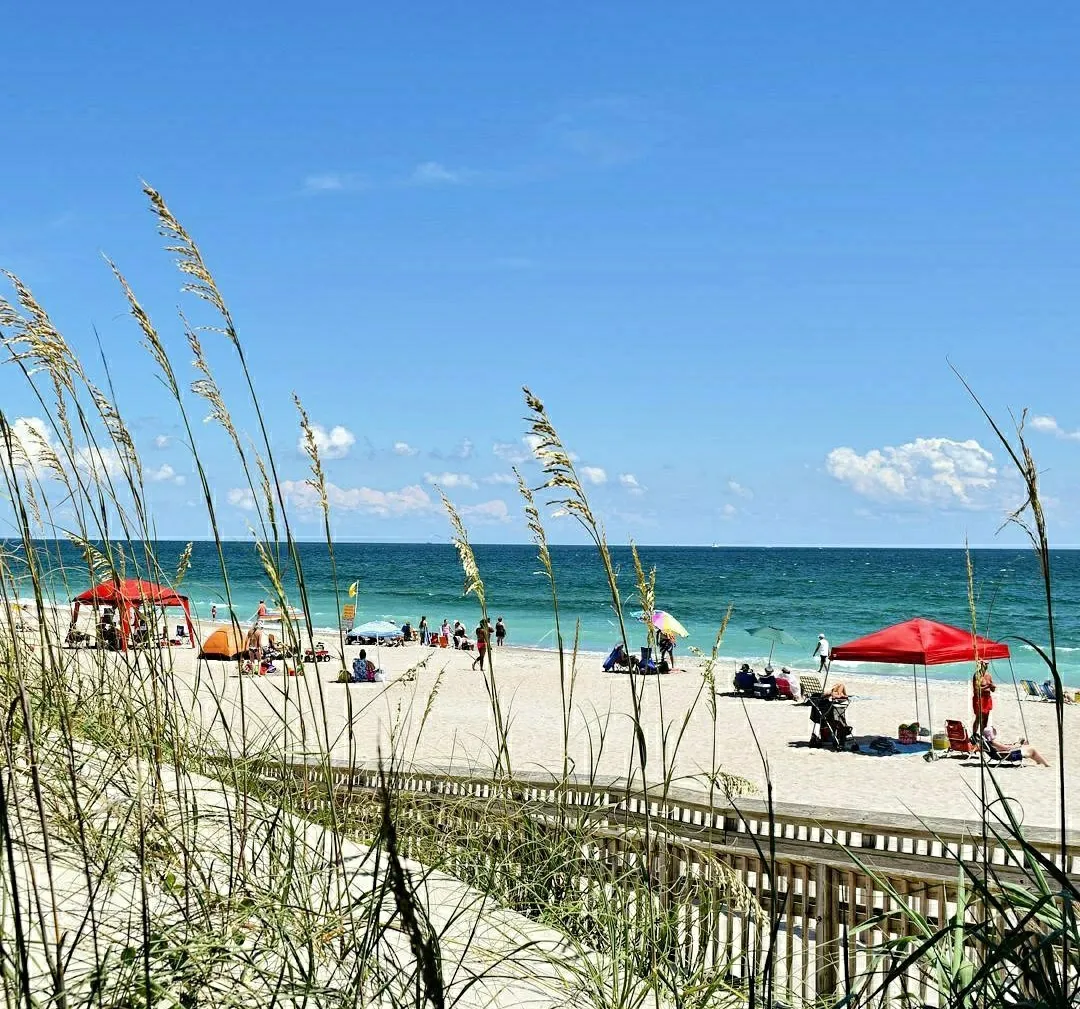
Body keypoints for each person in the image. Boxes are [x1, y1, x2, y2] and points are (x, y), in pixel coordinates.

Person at [982, 726, 1049, 766]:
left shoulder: (990, 742)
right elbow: (1007, 748)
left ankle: (1038, 761)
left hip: (1004, 754)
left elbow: (1004, 747)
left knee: (1028, 748)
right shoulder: (994, 742)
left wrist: (1015, 744)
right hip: (1009, 755)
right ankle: (1046, 764)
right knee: (1032, 749)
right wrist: (1019, 745)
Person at [972, 659, 996, 738]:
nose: (986, 666)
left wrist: (992, 687)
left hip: (987, 698)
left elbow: (992, 690)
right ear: (981, 665)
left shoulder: (988, 675)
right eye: (984, 664)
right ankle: (974, 735)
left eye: (987, 664)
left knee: (986, 719)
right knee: (978, 718)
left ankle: (982, 735)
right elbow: (976, 689)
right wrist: (987, 686)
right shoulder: (977, 675)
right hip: (979, 698)